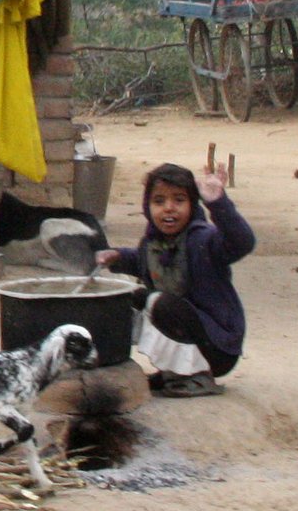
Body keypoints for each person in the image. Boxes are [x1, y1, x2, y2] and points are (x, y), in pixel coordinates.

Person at [96, 157, 253, 397]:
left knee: (159, 303)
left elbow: (242, 241)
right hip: (193, 332)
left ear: (192, 205)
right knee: (127, 297)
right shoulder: (152, 243)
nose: (169, 208)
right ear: (147, 207)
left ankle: (198, 377)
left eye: (179, 200)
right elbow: (141, 261)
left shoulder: (203, 241)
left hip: (218, 348)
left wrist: (218, 203)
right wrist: (116, 257)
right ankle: (175, 372)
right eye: (159, 201)